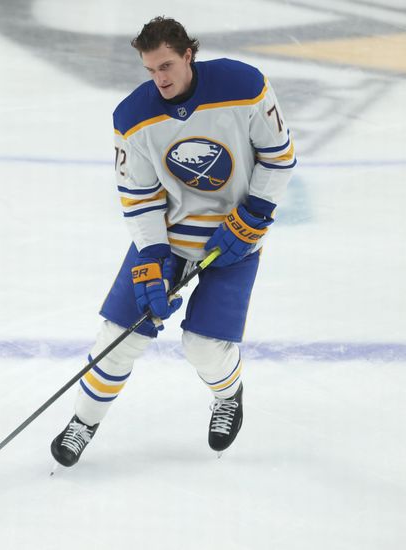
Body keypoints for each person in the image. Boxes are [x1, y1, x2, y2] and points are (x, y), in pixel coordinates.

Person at [51, 16, 295, 467]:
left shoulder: (244, 85)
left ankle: (228, 395)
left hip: (234, 240)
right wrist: (150, 257)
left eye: (166, 66)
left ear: (188, 55)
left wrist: (255, 215)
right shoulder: (131, 117)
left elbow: (278, 155)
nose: (159, 78)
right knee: (118, 337)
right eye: (150, 70)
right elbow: (139, 196)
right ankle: (84, 421)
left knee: (202, 345)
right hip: (169, 238)